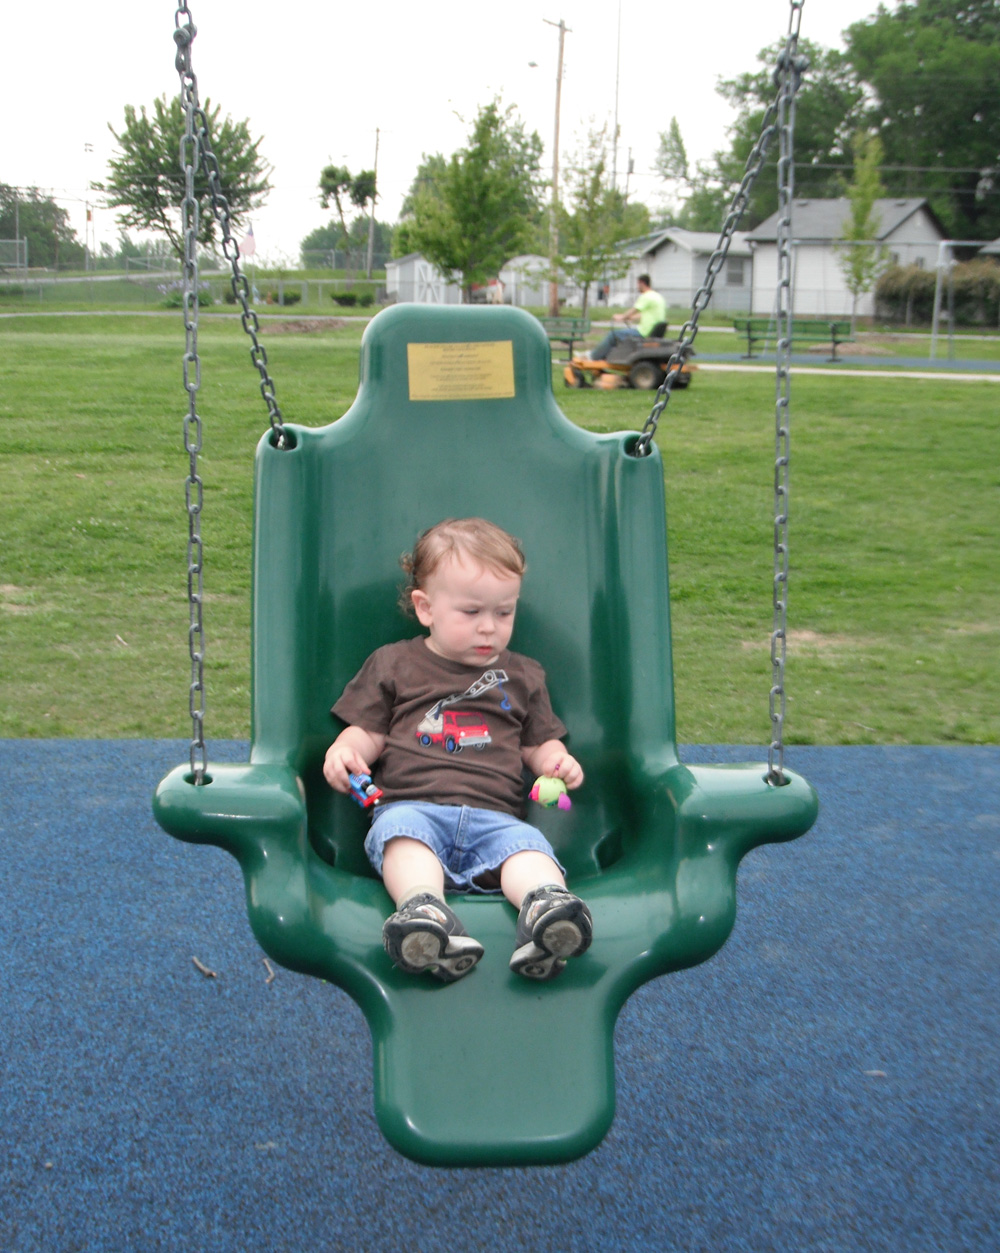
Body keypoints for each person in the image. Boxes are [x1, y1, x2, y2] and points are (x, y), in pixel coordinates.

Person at [323, 518, 593, 984]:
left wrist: (555, 762)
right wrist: (345, 750)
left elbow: (536, 744)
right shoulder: (395, 663)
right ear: (425, 608)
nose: (489, 628)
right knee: (400, 838)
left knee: (529, 851)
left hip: (496, 818)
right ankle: (426, 913)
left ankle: (547, 912)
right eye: (471, 613)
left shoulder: (523, 675)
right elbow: (369, 732)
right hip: (415, 808)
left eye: (504, 613)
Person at [585, 273, 667, 360]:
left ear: (642, 283)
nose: (637, 287)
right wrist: (631, 318)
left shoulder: (646, 296)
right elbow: (646, 314)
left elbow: (634, 310)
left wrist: (622, 317)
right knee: (621, 334)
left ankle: (593, 356)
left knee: (613, 335)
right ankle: (603, 356)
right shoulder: (657, 297)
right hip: (652, 332)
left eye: (638, 284)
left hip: (643, 332)